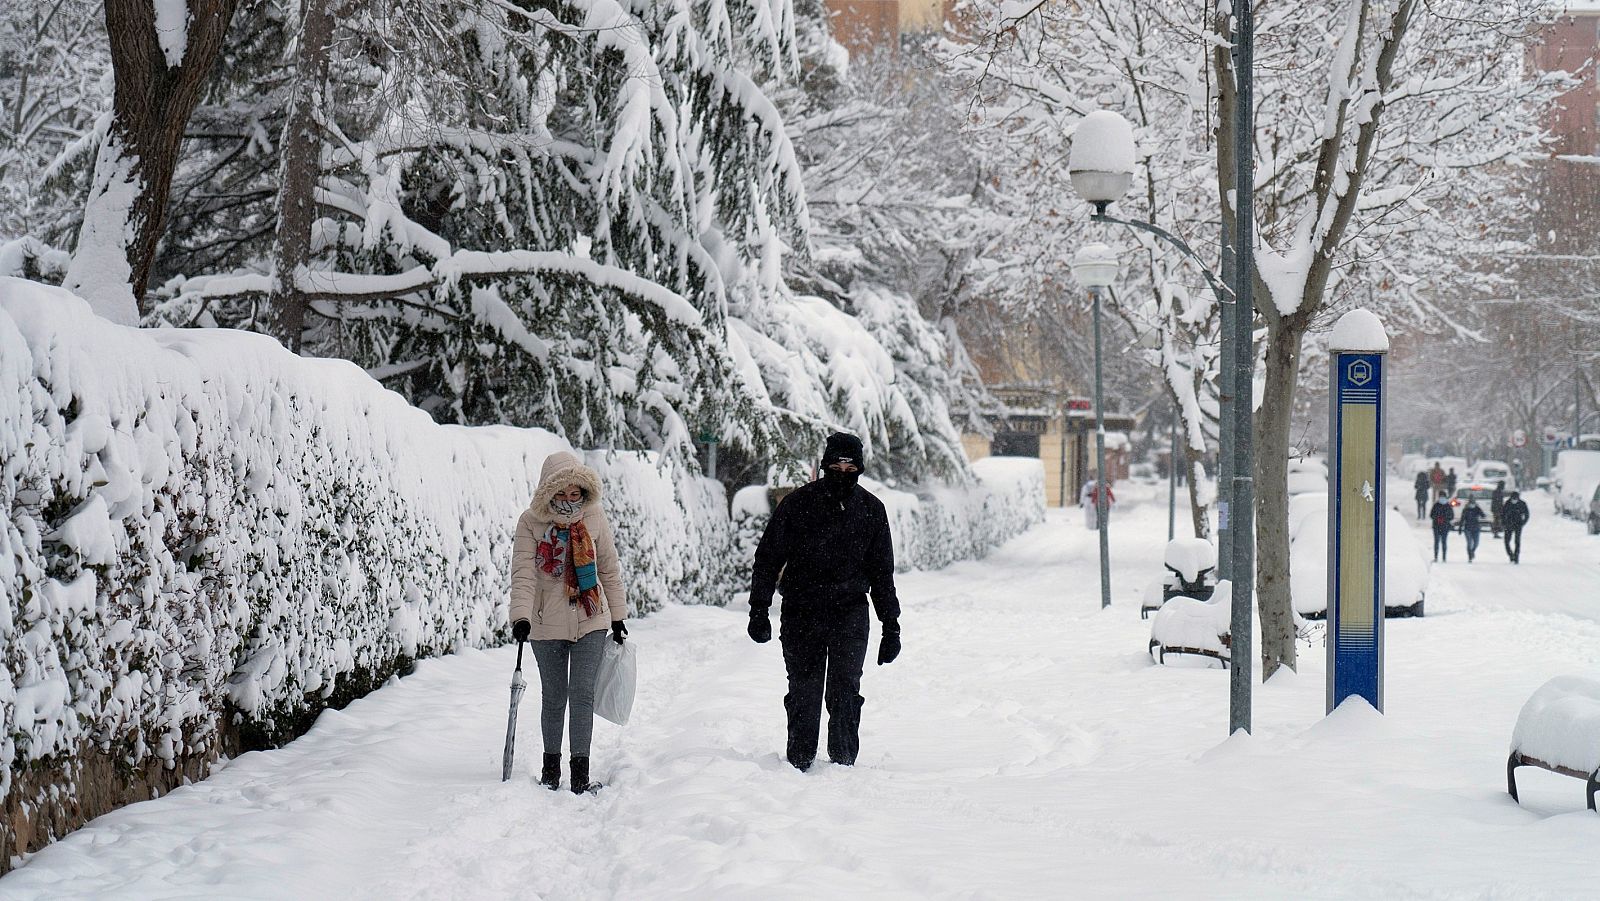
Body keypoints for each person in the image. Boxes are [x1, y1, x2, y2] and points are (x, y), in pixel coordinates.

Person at [747, 432, 901, 771]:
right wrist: (759, 609)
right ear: (825, 464)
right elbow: (768, 558)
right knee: (804, 688)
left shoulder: (871, 510)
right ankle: (799, 761)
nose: (843, 470)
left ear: (859, 467)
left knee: (846, 689)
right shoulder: (798, 504)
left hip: (850, 612)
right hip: (803, 610)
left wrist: (891, 626)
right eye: (836, 464)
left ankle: (843, 763)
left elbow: (881, 573)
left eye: (850, 465)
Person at [509, 451, 629, 794]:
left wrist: (618, 615)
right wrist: (521, 616)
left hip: (592, 617)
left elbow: (608, 567)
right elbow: (523, 575)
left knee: (582, 694)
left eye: (575, 493)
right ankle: (550, 771)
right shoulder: (530, 523)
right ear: (548, 491)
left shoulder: (594, 517)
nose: (569, 500)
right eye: (561, 494)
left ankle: (580, 774)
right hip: (545, 622)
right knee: (554, 696)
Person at [1501, 490, 1531, 564]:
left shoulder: (1522, 504)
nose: (1514, 500)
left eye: (1515, 499)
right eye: (1513, 499)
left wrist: (1523, 522)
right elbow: (1503, 514)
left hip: (1518, 525)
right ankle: (1511, 555)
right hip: (1508, 525)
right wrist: (1503, 523)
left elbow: (1527, 514)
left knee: (1517, 541)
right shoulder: (1507, 503)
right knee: (1506, 541)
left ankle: (1516, 557)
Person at [1428, 490, 1454, 562]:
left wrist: (1444, 519)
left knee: (1444, 542)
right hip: (1436, 526)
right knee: (1436, 542)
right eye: (1441, 497)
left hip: (1445, 526)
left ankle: (1444, 557)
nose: (1442, 498)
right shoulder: (1436, 505)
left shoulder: (1448, 506)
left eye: (1443, 497)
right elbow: (1431, 515)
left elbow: (1451, 516)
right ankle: (1436, 556)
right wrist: (1437, 518)